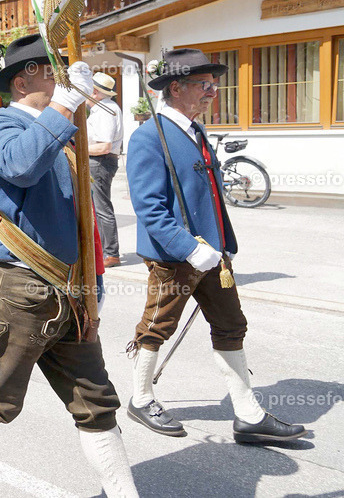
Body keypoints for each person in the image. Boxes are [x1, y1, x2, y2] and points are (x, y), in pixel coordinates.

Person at [0, 34, 137, 498]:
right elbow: (21, 165)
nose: (63, 79)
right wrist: (64, 104)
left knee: (96, 401)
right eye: (51, 72)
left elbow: (83, 223)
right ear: (22, 81)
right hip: (16, 283)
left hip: (71, 288)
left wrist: (94, 283)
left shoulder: (63, 129)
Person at [125, 48, 306, 445]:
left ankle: (247, 414)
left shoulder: (194, 130)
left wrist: (224, 242)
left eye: (213, 84)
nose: (213, 91)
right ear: (176, 87)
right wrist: (189, 248)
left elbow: (209, 195)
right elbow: (149, 207)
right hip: (174, 257)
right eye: (204, 85)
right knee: (157, 327)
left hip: (215, 256)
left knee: (231, 325)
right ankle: (140, 398)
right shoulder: (148, 136)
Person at [87, 73, 123, 271]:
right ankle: (107, 252)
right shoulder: (104, 108)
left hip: (100, 161)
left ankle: (111, 253)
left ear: (94, 92)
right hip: (100, 161)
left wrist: (78, 148)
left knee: (102, 209)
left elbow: (104, 147)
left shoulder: (104, 110)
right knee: (99, 208)